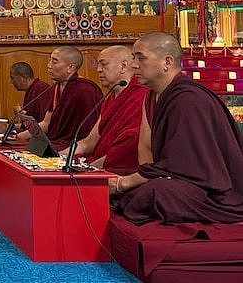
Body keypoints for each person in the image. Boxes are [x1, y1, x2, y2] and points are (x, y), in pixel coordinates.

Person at [111, 32, 243, 224]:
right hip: (178, 177)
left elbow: (183, 164)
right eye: (133, 58)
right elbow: (147, 151)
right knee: (141, 191)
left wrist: (125, 183)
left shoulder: (189, 99)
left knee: (154, 193)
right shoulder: (152, 96)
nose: (133, 65)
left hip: (213, 190)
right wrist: (133, 180)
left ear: (167, 61)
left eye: (141, 58)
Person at [64, 45, 149, 175]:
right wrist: (60, 157)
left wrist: (88, 171)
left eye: (103, 65)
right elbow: (90, 141)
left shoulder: (141, 96)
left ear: (123, 66)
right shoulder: (111, 97)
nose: (98, 70)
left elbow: (126, 150)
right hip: (98, 164)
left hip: (119, 171)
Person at [17, 46, 102, 150]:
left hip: (73, 146)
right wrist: (19, 137)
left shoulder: (85, 90)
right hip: (55, 142)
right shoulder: (56, 87)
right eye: (50, 60)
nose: (49, 66)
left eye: (54, 62)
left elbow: (89, 131)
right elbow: (46, 123)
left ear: (70, 67)